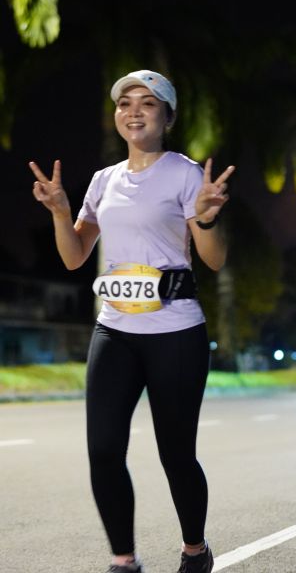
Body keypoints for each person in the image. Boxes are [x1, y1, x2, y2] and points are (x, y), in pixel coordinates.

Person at [29, 69, 234, 573]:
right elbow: (75, 257)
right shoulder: (104, 180)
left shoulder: (185, 174)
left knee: (176, 455)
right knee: (103, 450)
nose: (134, 111)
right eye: (125, 103)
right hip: (115, 329)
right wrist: (60, 213)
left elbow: (214, 259)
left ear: (168, 116)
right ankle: (124, 560)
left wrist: (207, 217)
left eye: (147, 102)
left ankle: (195, 550)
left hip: (176, 331)